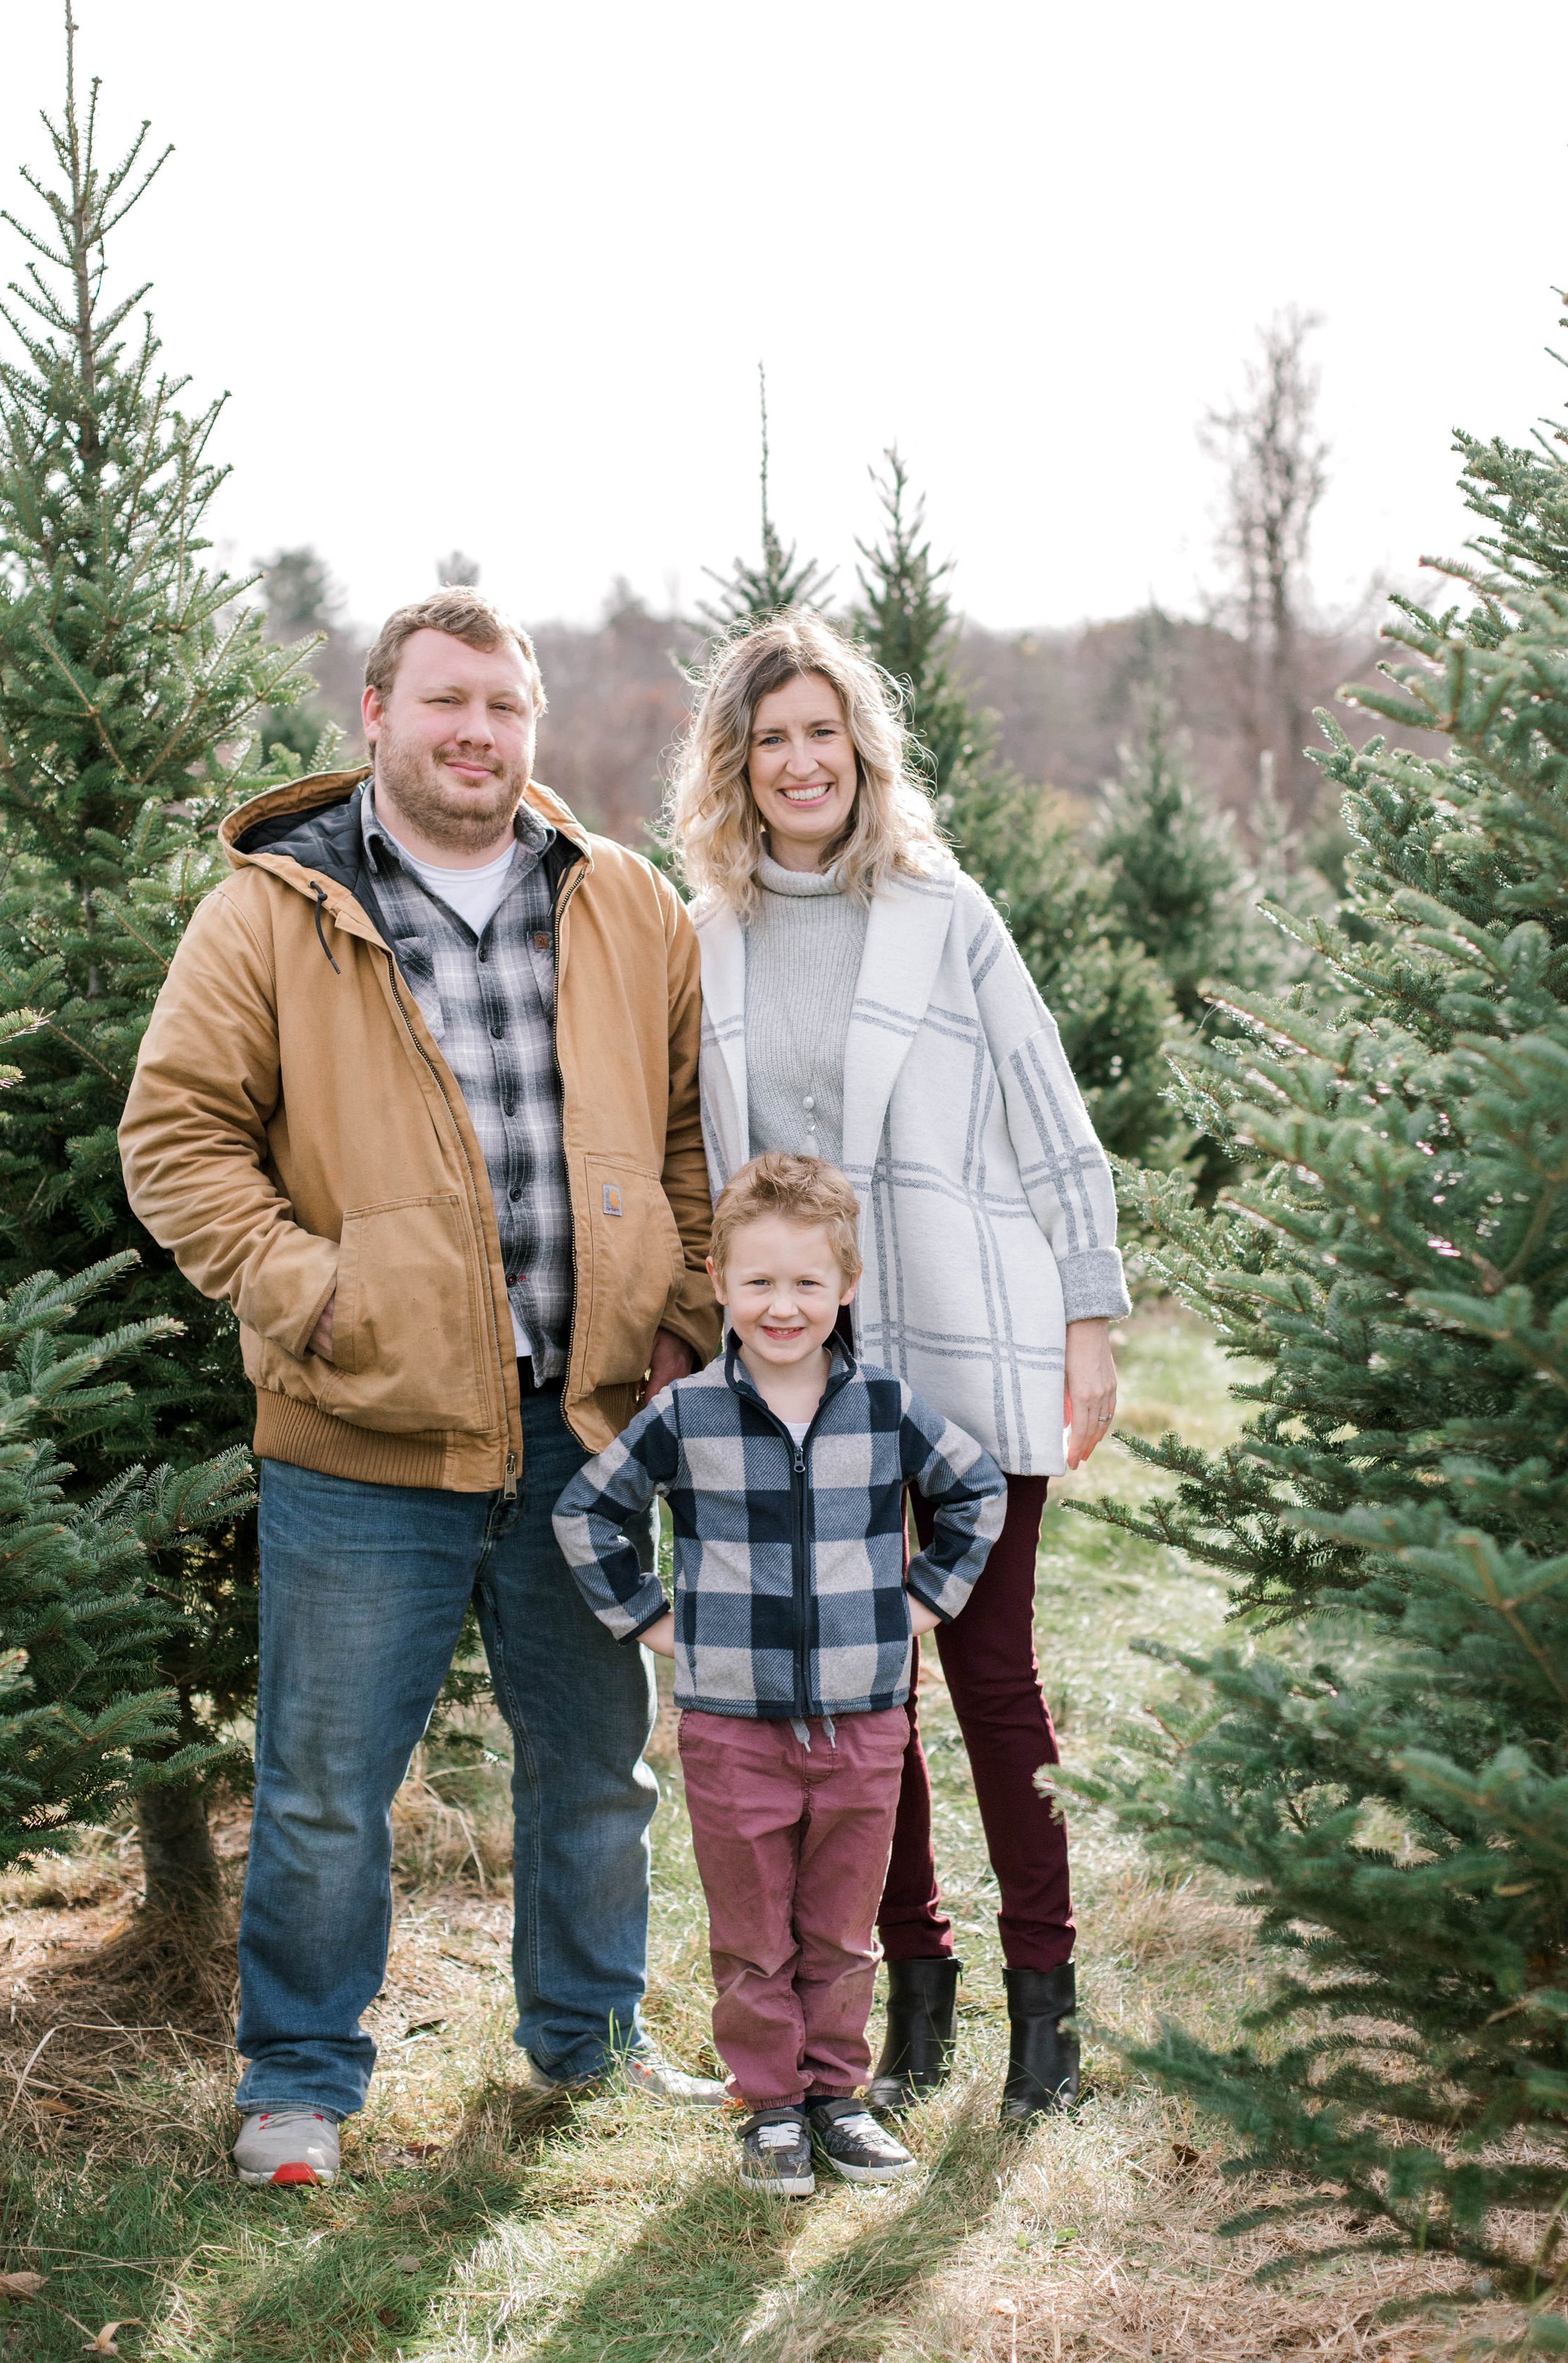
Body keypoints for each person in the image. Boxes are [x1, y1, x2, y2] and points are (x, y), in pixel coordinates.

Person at [119, 586, 725, 2188]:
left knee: (597, 1759)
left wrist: (685, 1309)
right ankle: (299, 2083)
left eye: (504, 708)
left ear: (534, 728)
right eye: (445, 702)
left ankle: (584, 2043)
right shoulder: (274, 910)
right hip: (363, 1430)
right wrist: (313, 1294)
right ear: (375, 718)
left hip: (584, 1421)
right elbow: (175, 1138)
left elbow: (685, 1133)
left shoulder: (626, 906)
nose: (477, 734)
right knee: (327, 1786)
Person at [667, 612, 1128, 2120]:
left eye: (823, 733)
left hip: (968, 1341)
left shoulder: (943, 911)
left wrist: (1092, 1318)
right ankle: (910, 1988)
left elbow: (1054, 1118)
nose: (801, 763)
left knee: (992, 1679)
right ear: (736, 767)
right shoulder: (711, 933)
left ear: (862, 749)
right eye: (770, 739)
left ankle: (1044, 2009)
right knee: (867, 1694)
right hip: (816, 1379)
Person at [553, 1153, 1007, 2194]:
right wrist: (652, 1620)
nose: (783, 1305)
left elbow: (976, 1490)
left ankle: (838, 2098)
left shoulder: (886, 1405)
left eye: (807, 1283)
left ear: (847, 1287)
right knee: (754, 1932)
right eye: (758, 1282)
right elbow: (587, 1512)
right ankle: (769, 2107)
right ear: (719, 1284)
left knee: (843, 1928)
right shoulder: (689, 1413)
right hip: (733, 1725)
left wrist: (927, 1601)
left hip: (865, 1717)